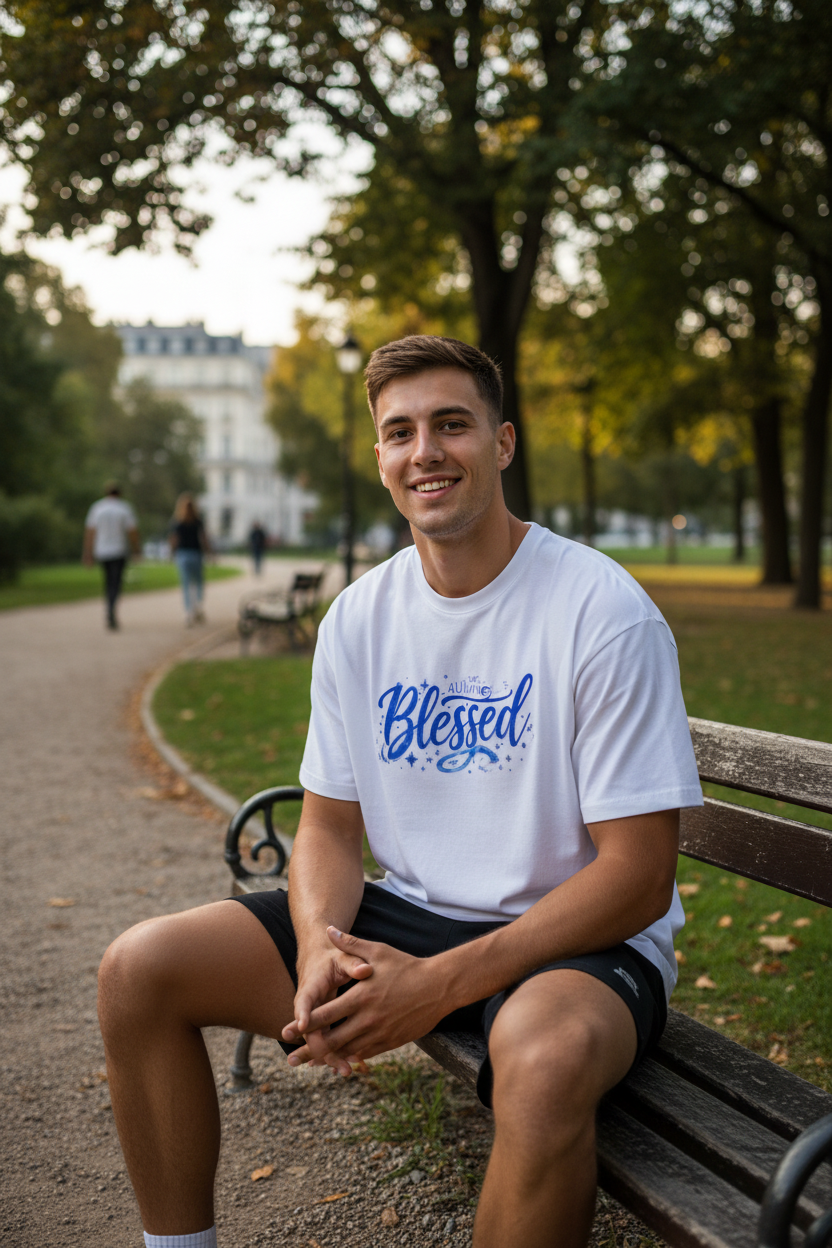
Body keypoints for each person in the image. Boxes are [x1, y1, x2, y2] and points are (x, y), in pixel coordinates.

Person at [98, 336, 703, 1248]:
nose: (426, 450)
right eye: (400, 431)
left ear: (502, 444)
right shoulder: (359, 618)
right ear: (381, 460)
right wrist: (315, 948)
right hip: (414, 914)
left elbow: (638, 877)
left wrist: (438, 985)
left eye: (451, 424)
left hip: (574, 941)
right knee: (139, 971)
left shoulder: (601, 613)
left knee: (543, 1065)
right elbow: (331, 829)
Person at [83, 481, 140, 630]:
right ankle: (111, 610)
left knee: (108, 581)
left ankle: (109, 608)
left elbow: (90, 532)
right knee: (116, 582)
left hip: (102, 551)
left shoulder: (97, 508)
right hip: (118, 550)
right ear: (119, 493)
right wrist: (136, 550)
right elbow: (132, 531)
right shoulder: (124, 508)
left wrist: (87, 553)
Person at [169, 493, 211, 627]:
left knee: (186, 584)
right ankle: (197, 605)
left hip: (183, 554)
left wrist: (171, 552)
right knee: (198, 582)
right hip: (196, 554)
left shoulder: (177, 522)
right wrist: (209, 552)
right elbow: (204, 539)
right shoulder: (198, 521)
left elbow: (174, 540)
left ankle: (188, 611)